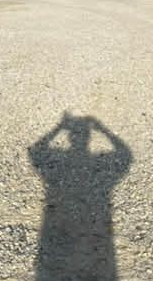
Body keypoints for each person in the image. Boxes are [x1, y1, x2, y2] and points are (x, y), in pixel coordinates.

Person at [28, 113, 132, 281]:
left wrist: (58, 128)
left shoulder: (58, 163)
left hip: (54, 223)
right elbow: (126, 156)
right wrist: (104, 131)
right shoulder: (103, 163)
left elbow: (35, 152)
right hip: (99, 225)